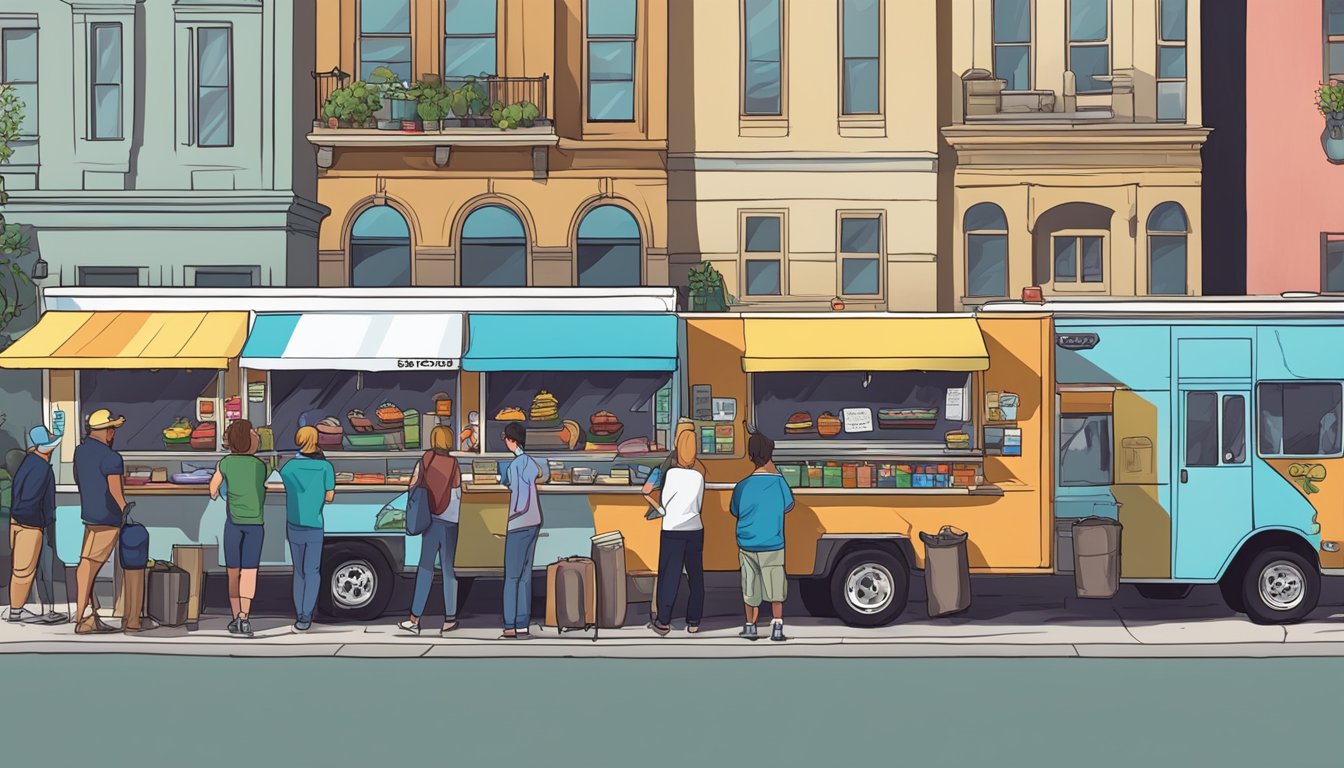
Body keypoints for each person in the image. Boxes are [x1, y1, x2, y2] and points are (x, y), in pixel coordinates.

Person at [397, 426, 463, 636]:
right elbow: (457, 491)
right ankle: (450, 619)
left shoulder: (426, 458)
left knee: (425, 568)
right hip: (450, 521)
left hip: (430, 520)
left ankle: (415, 619)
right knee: (448, 569)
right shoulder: (453, 463)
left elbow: (413, 484)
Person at [729, 429, 794, 642]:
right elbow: (789, 505)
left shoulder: (742, 485)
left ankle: (751, 626)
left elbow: (735, 511)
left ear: (750, 457)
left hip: (747, 543)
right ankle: (777, 628)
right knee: (775, 585)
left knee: (750, 586)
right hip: (773, 543)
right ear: (770, 455)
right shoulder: (779, 483)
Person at [645, 427, 706, 636]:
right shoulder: (699, 476)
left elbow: (652, 494)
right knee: (696, 576)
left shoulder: (669, 474)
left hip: (672, 528)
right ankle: (694, 621)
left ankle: (664, 622)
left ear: (677, 448)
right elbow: (698, 506)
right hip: (695, 529)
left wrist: (660, 509)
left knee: (669, 576)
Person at [72, 409, 128, 634]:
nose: (113, 434)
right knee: (90, 565)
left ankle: (89, 615)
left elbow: (78, 479)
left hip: (90, 514)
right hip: (108, 516)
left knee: (87, 562)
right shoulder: (111, 457)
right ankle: (83, 618)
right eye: (112, 429)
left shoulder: (80, 452)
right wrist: (125, 509)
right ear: (107, 432)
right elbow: (115, 490)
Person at [210, 419, 267, 638]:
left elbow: (213, 489)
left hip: (234, 524)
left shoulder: (226, 463)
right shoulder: (260, 465)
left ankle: (236, 618)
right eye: (253, 432)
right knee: (250, 572)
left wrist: (217, 490)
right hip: (256, 525)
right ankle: (244, 617)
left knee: (233, 572)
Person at [7, 422, 67, 624]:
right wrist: (41, 522)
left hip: (18, 522)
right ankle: (16, 611)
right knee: (24, 570)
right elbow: (31, 499)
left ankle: (20, 609)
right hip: (29, 525)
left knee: (23, 569)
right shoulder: (41, 468)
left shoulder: (29, 462)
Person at [279, 426, 334, 632]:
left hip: (294, 523)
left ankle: (299, 613)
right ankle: (306, 616)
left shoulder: (288, 467)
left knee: (299, 572)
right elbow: (329, 497)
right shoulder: (325, 467)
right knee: (313, 571)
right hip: (315, 525)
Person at [499, 421, 547, 639]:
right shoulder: (530, 462)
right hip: (534, 522)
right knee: (525, 576)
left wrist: (514, 515)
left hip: (518, 524)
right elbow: (539, 474)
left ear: (512, 441)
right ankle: (522, 625)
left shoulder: (514, 465)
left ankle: (509, 625)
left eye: (506, 440)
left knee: (511, 577)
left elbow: (518, 497)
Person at [641, 418, 696, 515]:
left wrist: (660, 509)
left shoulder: (662, 469)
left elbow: (646, 491)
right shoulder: (697, 473)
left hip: (672, 521)